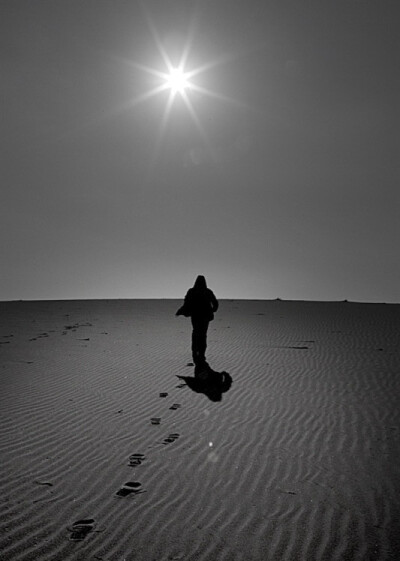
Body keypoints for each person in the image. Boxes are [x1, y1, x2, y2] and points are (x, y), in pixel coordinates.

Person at [176, 275, 219, 365]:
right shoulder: (207, 291)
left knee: (196, 333)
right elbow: (215, 303)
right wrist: (213, 310)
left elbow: (186, 303)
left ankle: (195, 352)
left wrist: (181, 311)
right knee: (203, 334)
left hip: (196, 316)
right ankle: (201, 354)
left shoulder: (192, 291)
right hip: (205, 317)